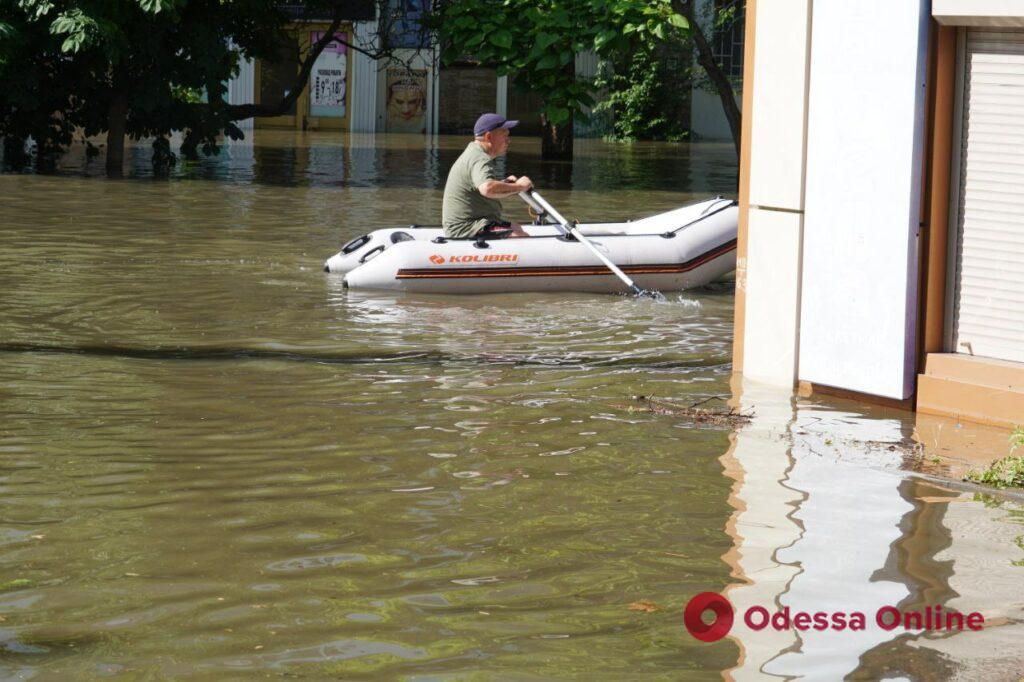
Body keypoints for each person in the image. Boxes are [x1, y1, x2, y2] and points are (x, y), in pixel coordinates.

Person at [442, 113, 532, 239]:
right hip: (466, 228)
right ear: (489, 136)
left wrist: (505, 183)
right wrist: (520, 186)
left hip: (473, 223)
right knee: (521, 237)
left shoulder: (474, 152)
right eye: (504, 135)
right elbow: (487, 189)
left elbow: (479, 186)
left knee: (516, 227)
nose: (508, 140)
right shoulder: (480, 158)